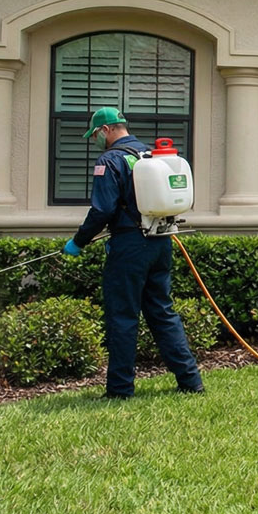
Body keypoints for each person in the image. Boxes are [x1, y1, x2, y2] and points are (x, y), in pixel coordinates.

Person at [63, 107, 205, 399]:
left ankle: (119, 390)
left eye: (95, 135)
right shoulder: (149, 155)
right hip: (160, 241)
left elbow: (102, 209)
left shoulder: (110, 160)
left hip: (129, 246)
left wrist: (79, 241)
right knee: (162, 312)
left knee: (122, 316)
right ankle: (191, 381)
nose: (95, 141)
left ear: (106, 130)